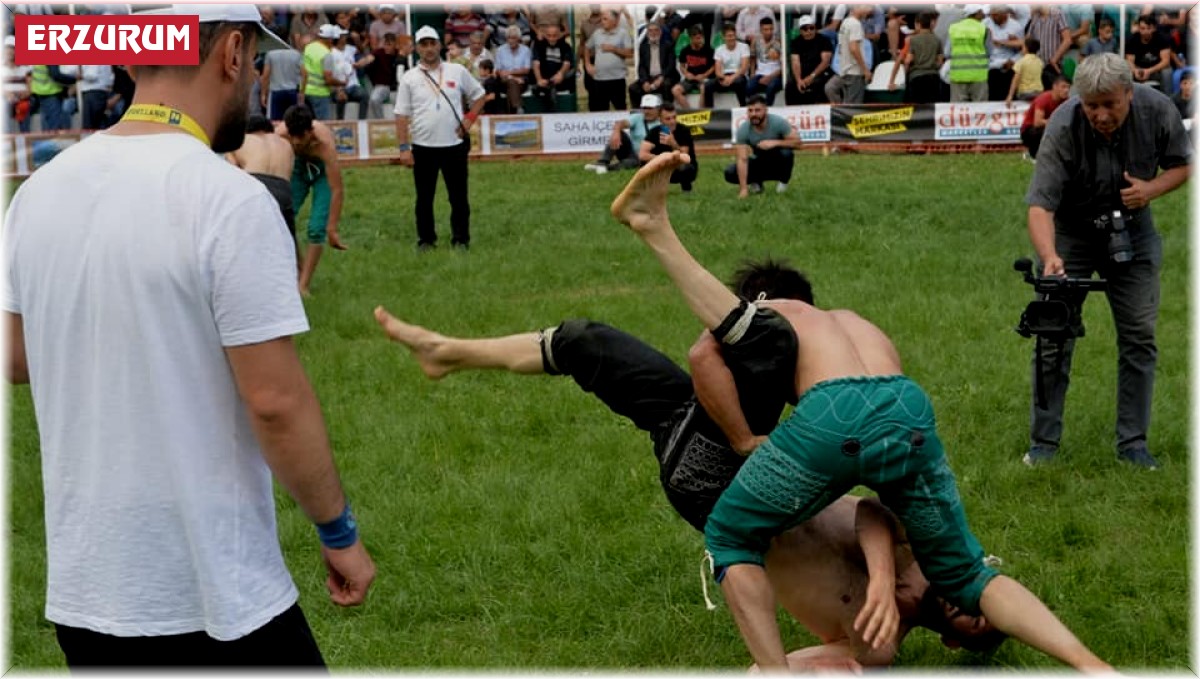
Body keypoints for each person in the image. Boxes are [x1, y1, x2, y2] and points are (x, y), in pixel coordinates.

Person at [608, 151, 1112, 672]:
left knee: (731, 535)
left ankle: (654, 227)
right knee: (970, 576)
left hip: (835, 414)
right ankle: (1092, 666)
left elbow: (718, 338)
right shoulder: (856, 324)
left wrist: (741, 439)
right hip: (909, 410)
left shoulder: (788, 316)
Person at [3, 5, 374, 667]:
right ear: (231, 52)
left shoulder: (37, 192)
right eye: (256, 61)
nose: (256, 77)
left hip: (87, 594)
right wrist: (338, 529)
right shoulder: (228, 199)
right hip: (209, 593)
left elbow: (16, 357)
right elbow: (274, 401)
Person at [372, 306, 1005, 670]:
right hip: (752, 466)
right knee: (585, 341)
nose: (969, 611)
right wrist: (887, 578)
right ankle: (447, 352)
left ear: (952, 640)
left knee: (764, 351)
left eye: (972, 627)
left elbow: (771, 669)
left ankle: (730, 305)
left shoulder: (877, 644)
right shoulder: (913, 548)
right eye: (983, 608)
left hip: (720, 488)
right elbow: (872, 509)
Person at [1022, 53, 1191, 470]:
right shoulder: (1062, 124)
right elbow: (1040, 205)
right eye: (1090, 105)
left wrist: (1150, 190)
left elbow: (1184, 164)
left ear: (1129, 95)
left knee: (1138, 335)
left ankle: (1133, 444)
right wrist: (1050, 258)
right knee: (1053, 334)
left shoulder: (1158, 110)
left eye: (1109, 104)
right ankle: (1044, 443)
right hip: (1072, 233)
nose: (1099, 114)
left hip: (1133, 230)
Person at [394, 26, 487, 252]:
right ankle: (426, 240)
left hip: (454, 146)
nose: (428, 49)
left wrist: (469, 120)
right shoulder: (409, 78)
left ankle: (461, 239)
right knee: (424, 199)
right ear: (417, 48)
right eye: (423, 45)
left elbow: (480, 96)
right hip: (423, 147)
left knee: (458, 197)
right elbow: (401, 114)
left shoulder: (456, 71)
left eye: (432, 43)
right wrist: (404, 148)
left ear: (439, 45)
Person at [276, 105, 347, 296]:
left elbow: (337, 189)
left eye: (302, 136)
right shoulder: (280, 135)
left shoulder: (324, 145)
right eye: (294, 136)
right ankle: (299, 269)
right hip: (298, 170)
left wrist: (332, 228)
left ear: (311, 131)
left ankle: (303, 285)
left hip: (322, 174)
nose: (297, 142)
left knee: (316, 228)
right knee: (282, 219)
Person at [227, 114, 299, 266]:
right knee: (287, 241)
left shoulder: (241, 141)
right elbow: (289, 174)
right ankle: (298, 278)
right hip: (283, 189)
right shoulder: (286, 144)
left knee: (248, 242)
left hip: (255, 185)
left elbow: (233, 174)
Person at [725, 95, 800, 197]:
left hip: (777, 161)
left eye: (757, 110)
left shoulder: (778, 122)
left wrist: (775, 143)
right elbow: (742, 160)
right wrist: (743, 189)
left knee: (787, 153)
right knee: (730, 172)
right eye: (750, 111)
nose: (753, 114)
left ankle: (783, 183)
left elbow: (798, 143)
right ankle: (755, 182)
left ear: (765, 110)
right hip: (759, 160)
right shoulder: (743, 130)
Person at [584, 94, 661, 174]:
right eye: (644, 108)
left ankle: (605, 168)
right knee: (619, 134)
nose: (647, 111)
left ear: (658, 109)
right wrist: (616, 132)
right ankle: (603, 162)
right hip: (631, 153)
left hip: (649, 156)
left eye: (650, 108)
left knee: (630, 164)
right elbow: (620, 123)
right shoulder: (637, 117)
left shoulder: (663, 123)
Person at [638, 103, 697, 193]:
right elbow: (642, 155)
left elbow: (685, 156)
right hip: (662, 166)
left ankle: (686, 189)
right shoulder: (654, 132)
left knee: (686, 168)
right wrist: (662, 159)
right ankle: (652, 190)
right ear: (660, 120)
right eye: (668, 119)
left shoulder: (683, 130)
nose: (672, 121)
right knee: (643, 164)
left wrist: (673, 144)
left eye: (674, 117)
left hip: (678, 167)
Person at [944, 4, 990, 103]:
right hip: (978, 76)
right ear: (976, 13)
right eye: (981, 12)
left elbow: (947, 53)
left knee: (959, 111)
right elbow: (989, 52)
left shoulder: (953, 28)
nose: (983, 15)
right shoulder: (984, 29)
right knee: (979, 109)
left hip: (958, 75)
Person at [301, 23, 346, 120]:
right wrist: (342, 83)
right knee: (324, 125)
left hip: (306, 91)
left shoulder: (309, 47)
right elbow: (328, 80)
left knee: (309, 125)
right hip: (320, 93)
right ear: (329, 39)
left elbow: (304, 70)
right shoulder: (326, 54)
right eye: (333, 39)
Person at [1018, 75, 1070, 159]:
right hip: (1030, 131)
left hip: (1050, 127)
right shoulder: (1044, 99)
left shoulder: (1066, 101)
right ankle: (1033, 154)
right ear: (1055, 86)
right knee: (1046, 131)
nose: (1066, 90)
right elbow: (1037, 123)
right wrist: (1056, 122)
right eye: (1063, 87)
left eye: (1068, 87)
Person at [786, 14, 833, 105]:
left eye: (811, 28)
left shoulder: (824, 40)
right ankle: (791, 111)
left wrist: (812, 76)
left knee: (818, 84)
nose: (809, 31)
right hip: (802, 74)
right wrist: (799, 80)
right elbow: (795, 62)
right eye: (805, 29)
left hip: (820, 73)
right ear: (800, 30)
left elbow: (825, 62)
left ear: (815, 28)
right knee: (790, 84)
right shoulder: (796, 42)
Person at [672, 24, 717, 109]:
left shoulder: (709, 50)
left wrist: (704, 75)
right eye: (697, 38)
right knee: (675, 90)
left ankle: (700, 112)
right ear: (691, 39)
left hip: (704, 78)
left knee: (704, 89)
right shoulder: (685, 50)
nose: (700, 40)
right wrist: (686, 74)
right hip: (690, 79)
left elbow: (714, 66)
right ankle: (688, 111)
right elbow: (682, 65)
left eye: (700, 37)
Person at [1004, 37, 1045, 106]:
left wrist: (1010, 96)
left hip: (1025, 93)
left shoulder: (1021, 61)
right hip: (1039, 92)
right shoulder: (1040, 62)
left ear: (1026, 48)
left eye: (1022, 47)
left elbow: (1015, 80)